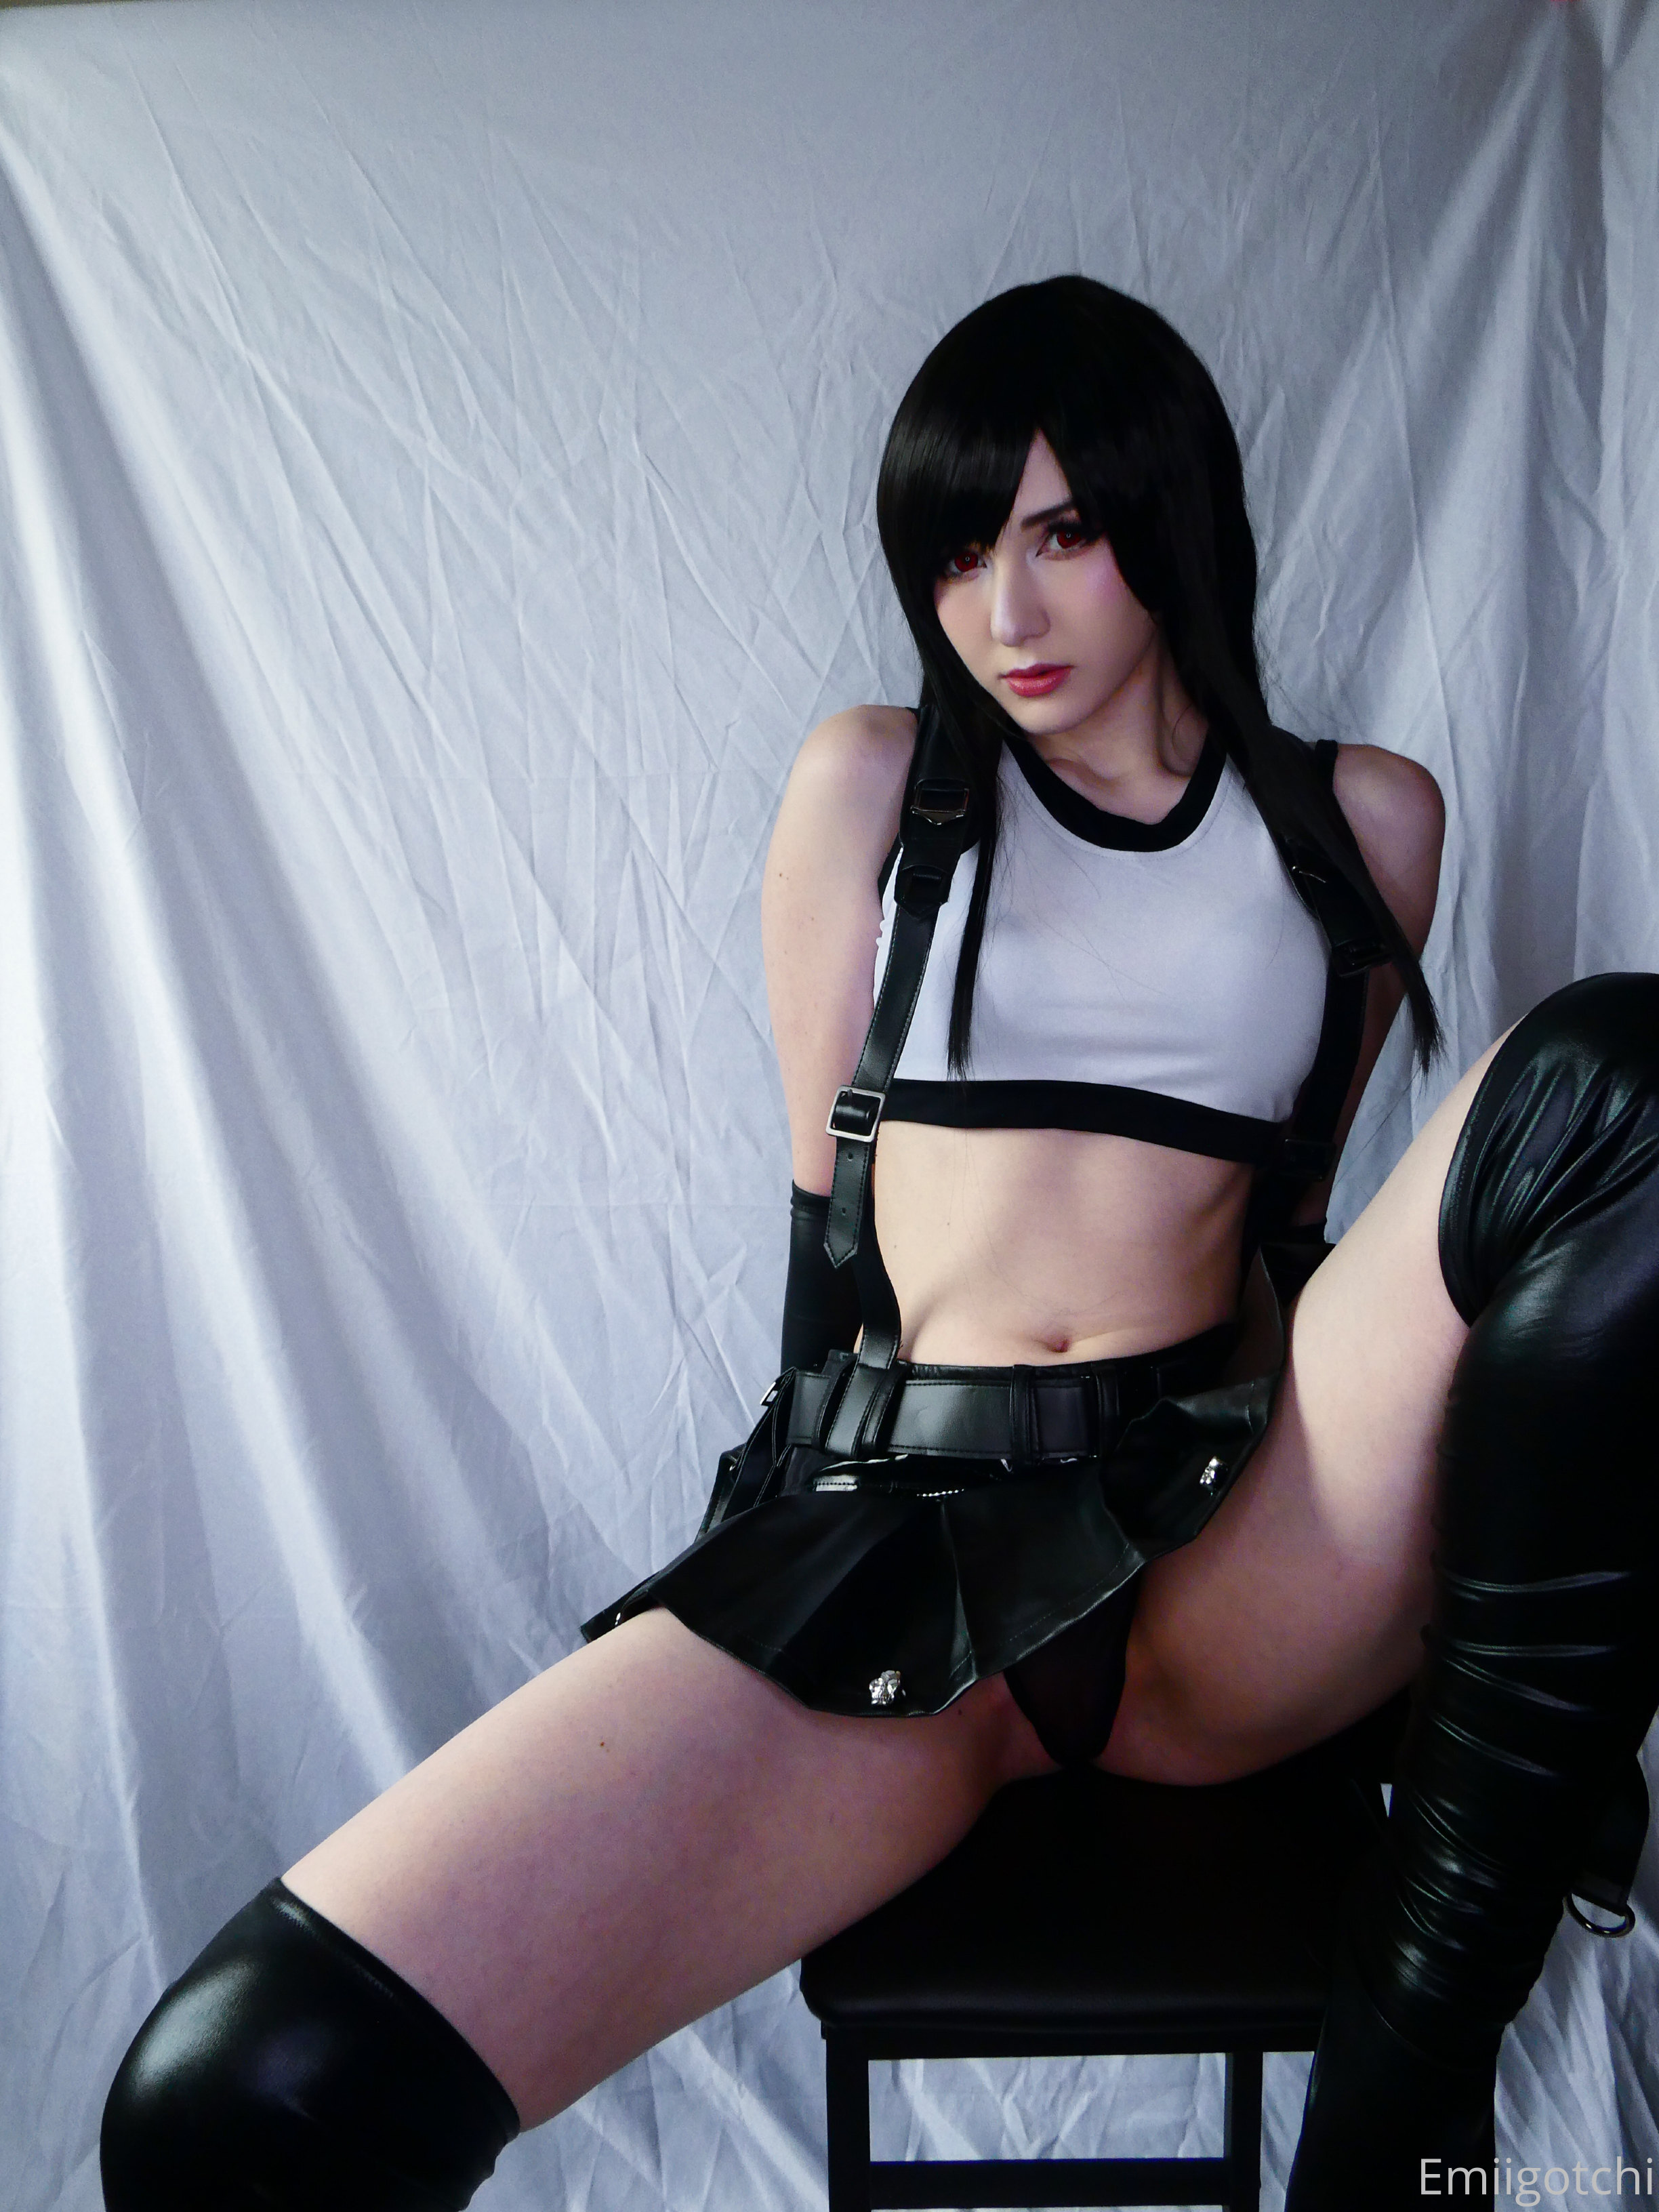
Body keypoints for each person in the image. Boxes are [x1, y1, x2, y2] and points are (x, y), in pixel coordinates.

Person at [98, 277, 1659, 2211]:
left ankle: (1407, 2115)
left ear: (1171, 519)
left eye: (1062, 537)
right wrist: (750, 1604)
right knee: (241, 2094)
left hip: (1229, 1551)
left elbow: (1295, 1223)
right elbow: (821, 1233)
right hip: (910, 1548)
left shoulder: (1359, 823)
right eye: (958, 555)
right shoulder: (877, 791)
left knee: (1623, 1084)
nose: (1005, 616)